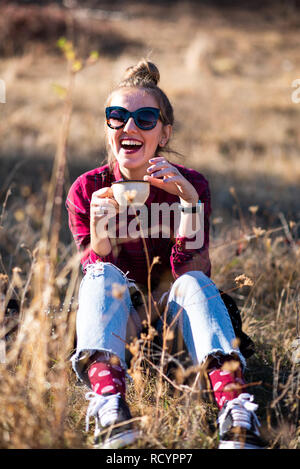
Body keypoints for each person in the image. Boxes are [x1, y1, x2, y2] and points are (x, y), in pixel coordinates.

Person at [66, 59, 266, 449]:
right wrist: (99, 233)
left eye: (145, 118)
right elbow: (97, 277)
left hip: (175, 321)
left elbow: (191, 272)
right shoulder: (89, 190)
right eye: (117, 116)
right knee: (98, 276)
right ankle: (111, 408)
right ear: (107, 127)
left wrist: (189, 205)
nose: (130, 126)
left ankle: (237, 413)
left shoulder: (190, 185)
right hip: (119, 326)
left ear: (164, 131)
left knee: (195, 282)